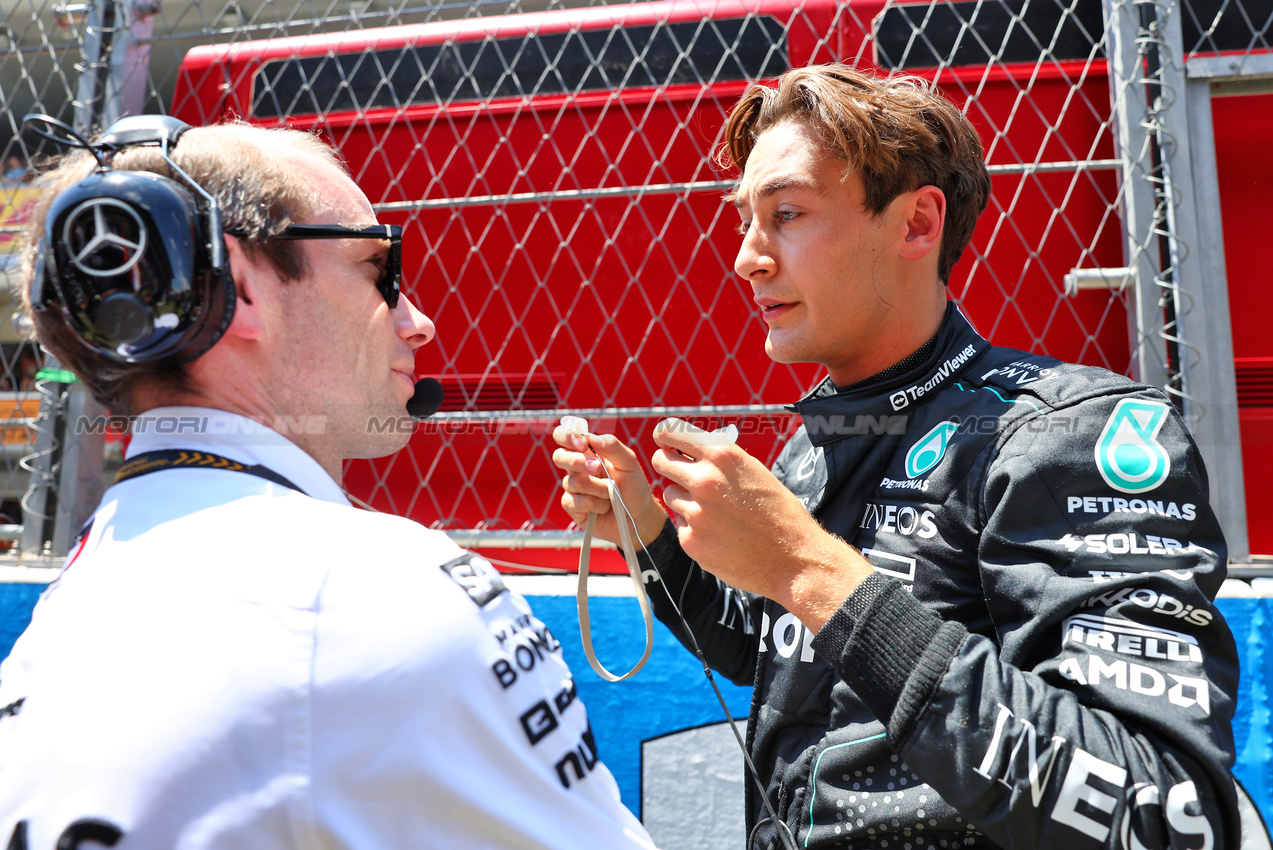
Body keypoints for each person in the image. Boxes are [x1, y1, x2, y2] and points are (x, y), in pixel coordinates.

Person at [554, 64, 1243, 849]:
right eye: (742, 218)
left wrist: (813, 571)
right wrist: (645, 529)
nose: (746, 257)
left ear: (916, 225)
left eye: (785, 213)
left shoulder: (1069, 435)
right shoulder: (819, 442)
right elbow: (766, 649)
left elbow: (1162, 810)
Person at [0, 116, 657, 850]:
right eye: (379, 271)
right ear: (239, 289)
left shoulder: (78, 599)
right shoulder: (382, 590)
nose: (420, 322)